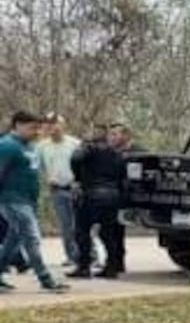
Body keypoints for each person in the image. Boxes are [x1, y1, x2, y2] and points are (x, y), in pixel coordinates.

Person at [0, 111, 68, 293]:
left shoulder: (29, 147)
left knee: (12, 241)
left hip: (28, 200)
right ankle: (46, 279)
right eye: (32, 128)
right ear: (18, 125)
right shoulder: (7, 146)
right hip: (12, 200)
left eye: (38, 128)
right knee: (32, 238)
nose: (36, 132)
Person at [68, 123, 138, 279]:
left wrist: (78, 178)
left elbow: (75, 159)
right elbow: (123, 177)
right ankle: (112, 267)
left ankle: (84, 267)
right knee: (108, 233)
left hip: (90, 195)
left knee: (82, 231)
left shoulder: (88, 149)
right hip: (112, 197)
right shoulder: (117, 154)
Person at [36, 113, 82, 266]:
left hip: (75, 189)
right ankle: (72, 256)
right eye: (48, 124)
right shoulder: (42, 146)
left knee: (80, 224)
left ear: (63, 125)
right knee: (65, 226)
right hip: (57, 190)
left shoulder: (75, 144)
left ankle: (89, 255)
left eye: (55, 123)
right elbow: (38, 167)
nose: (52, 127)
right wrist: (47, 179)